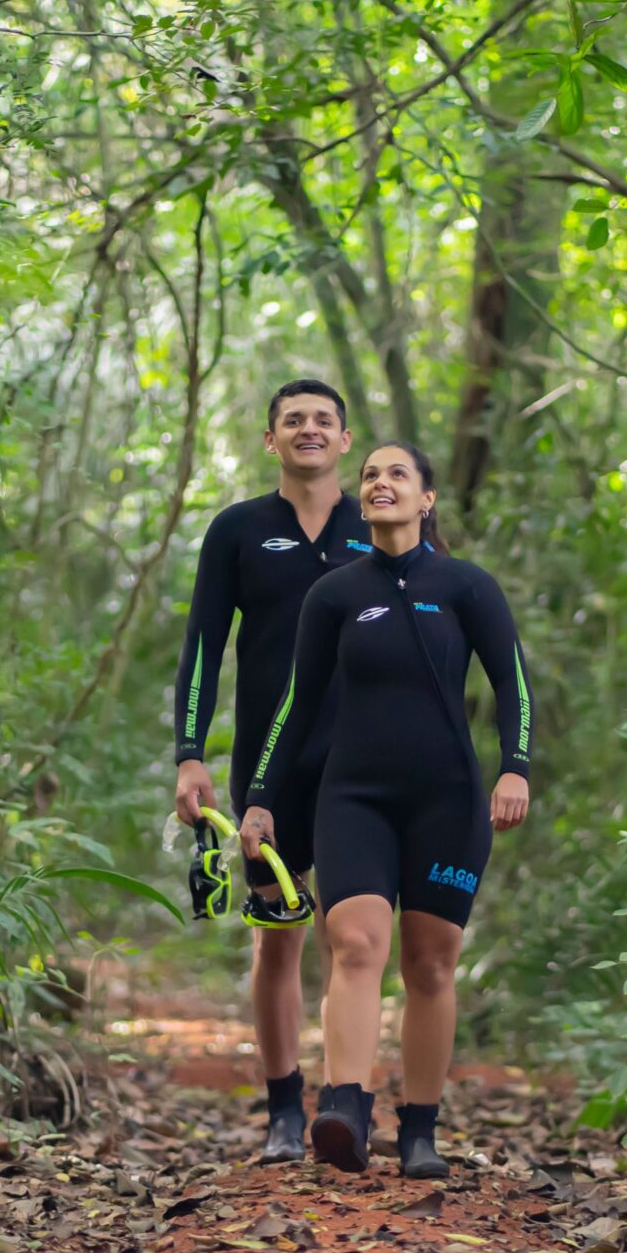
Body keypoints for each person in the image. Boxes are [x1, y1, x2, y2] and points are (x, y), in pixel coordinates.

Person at [239, 442, 532, 1179]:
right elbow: (296, 707)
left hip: (449, 799)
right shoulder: (334, 595)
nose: (380, 483)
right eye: (370, 474)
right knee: (356, 942)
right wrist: (261, 799)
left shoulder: (467, 588)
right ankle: (346, 1106)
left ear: (426, 498)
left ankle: (421, 1131)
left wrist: (516, 770)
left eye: (397, 473)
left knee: (430, 964)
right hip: (354, 796)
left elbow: (513, 686)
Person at [174, 378, 375, 1164]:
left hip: (364, 763)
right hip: (268, 765)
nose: (309, 430)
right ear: (271, 441)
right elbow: (201, 647)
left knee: (353, 934)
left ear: (346, 441)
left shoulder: (380, 523)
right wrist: (189, 752)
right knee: (280, 937)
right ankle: (284, 1109)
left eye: (324, 419)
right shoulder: (238, 530)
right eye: (293, 420)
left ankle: (347, 1100)